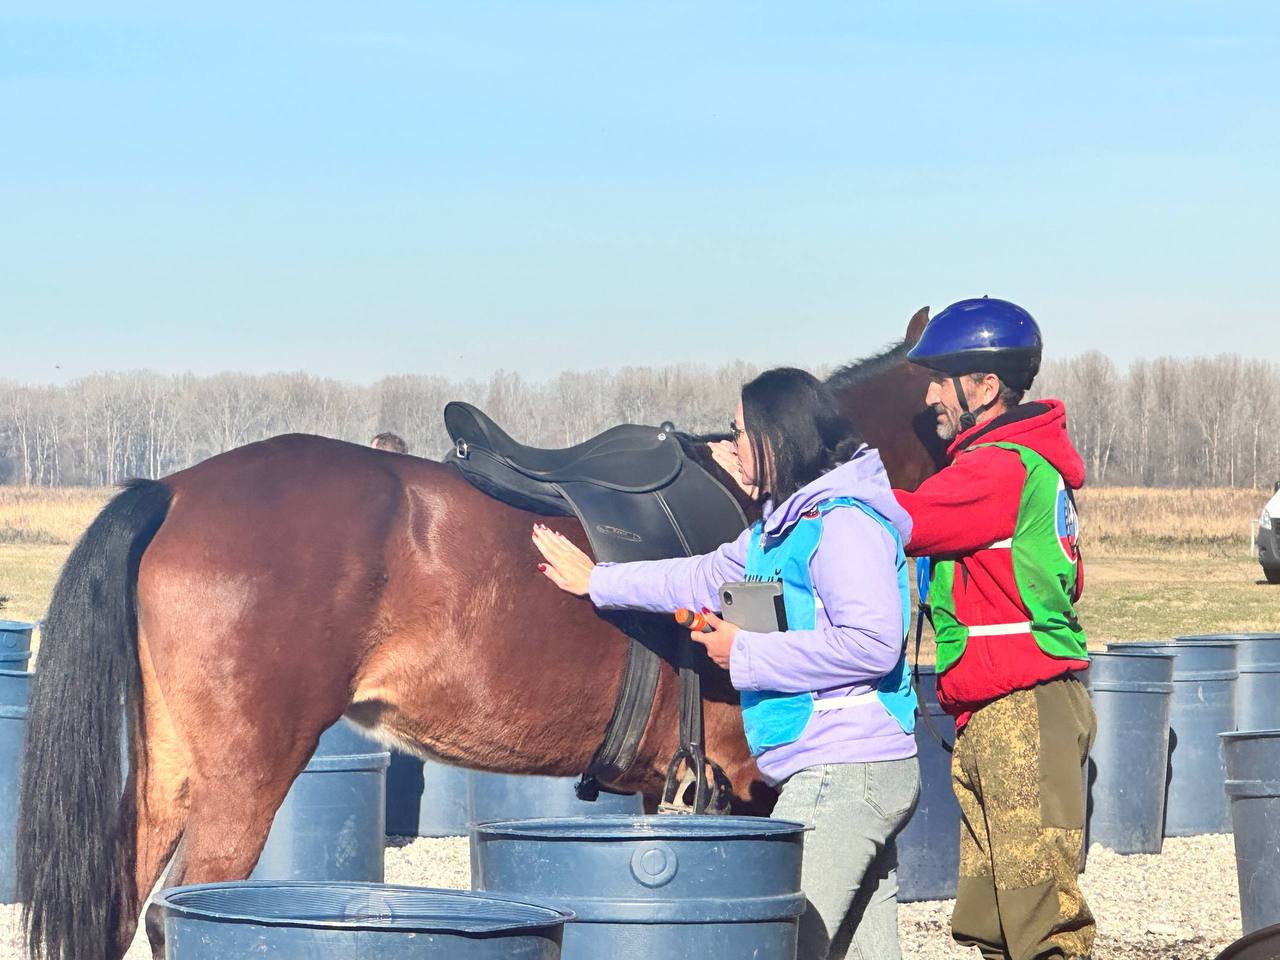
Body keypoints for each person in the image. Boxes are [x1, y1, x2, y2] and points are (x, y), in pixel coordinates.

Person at [533, 367, 920, 960]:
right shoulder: (783, 527)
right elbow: (703, 576)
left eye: (740, 431)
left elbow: (871, 644)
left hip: (846, 772)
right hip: (837, 767)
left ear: (776, 437)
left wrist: (744, 652)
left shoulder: (842, 523)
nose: (728, 444)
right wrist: (598, 580)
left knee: (779, 946)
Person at [892, 297, 1096, 960]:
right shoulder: (1012, 464)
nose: (928, 398)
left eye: (939, 380)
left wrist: (825, 472)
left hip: (1023, 710)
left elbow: (908, 522)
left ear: (984, 387)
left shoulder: (999, 468)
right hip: (994, 710)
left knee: (1041, 922)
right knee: (995, 920)